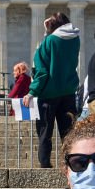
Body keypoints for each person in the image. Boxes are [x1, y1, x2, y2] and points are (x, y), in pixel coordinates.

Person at [22, 13, 81, 168]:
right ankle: (73, 164)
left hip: (48, 94)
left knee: (45, 132)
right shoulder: (75, 40)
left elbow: (41, 71)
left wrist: (31, 92)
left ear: (52, 26)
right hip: (68, 92)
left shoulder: (49, 41)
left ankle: (45, 164)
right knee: (69, 133)